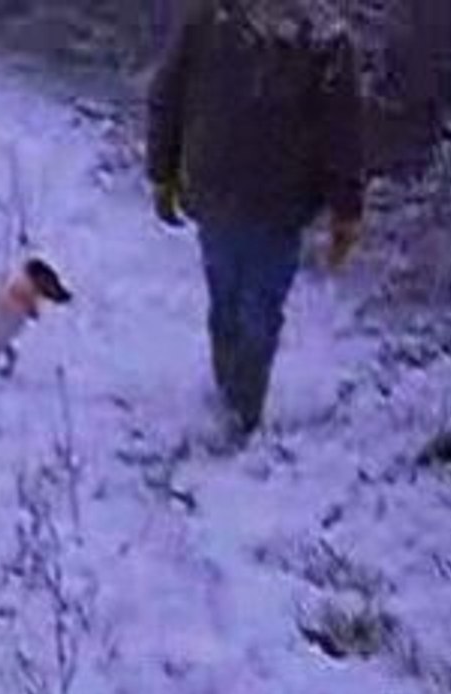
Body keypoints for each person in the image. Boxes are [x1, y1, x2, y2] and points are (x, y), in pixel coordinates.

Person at [146, 0, 365, 440]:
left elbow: (342, 130)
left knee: (246, 305)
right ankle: (236, 401)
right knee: (239, 303)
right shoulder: (217, 18)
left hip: (263, 200)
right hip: (241, 196)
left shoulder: (320, 36)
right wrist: (162, 172)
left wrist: (346, 209)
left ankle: (240, 407)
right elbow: (169, 93)